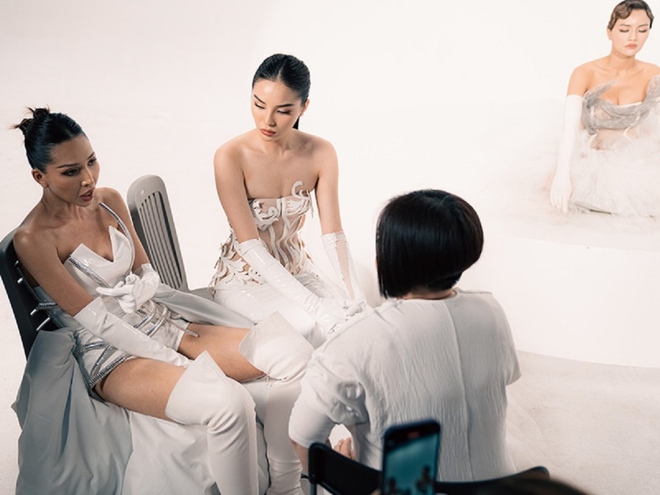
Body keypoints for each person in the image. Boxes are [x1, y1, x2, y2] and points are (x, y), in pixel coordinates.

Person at [13, 107, 313, 495]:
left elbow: (147, 270)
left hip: (162, 323)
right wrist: (180, 362)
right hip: (112, 356)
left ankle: (285, 487)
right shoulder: (32, 238)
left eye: (91, 161)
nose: (88, 179)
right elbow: (98, 323)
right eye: (71, 172)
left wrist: (145, 287)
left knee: (296, 354)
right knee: (230, 403)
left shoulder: (109, 200)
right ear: (39, 177)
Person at [289, 189, 521, 481]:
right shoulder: (491, 312)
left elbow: (303, 440)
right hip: (501, 487)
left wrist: (344, 473)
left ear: (387, 259)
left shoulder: (352, 344)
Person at [209, 53, 364, 348]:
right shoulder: (230, 156)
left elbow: (333, 236)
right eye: (259, 105)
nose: (267, 120)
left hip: (298, 272)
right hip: (245, 281)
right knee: (310, 327)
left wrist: (358, 297)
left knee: (353, 320)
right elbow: (250, 245)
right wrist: (316, 307)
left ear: (304, 107)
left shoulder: (321, 152)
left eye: (282, 110)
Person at [550, 0, 660, 216]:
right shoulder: (585, 73)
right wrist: (562, 175)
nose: (633, 37)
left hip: (638, 163)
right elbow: (570, 128)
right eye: (624, 29)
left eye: (642, 30)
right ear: (609, 32)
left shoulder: (653, 74)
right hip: (592, 162)